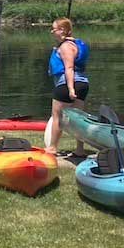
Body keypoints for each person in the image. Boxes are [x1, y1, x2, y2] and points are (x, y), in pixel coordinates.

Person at [42, 17, 89, 159]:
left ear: (62, 30)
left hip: (67, 84)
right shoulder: (77, 44)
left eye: (54, 29)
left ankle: (52, 148)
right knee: (78, 119)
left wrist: (70, 89)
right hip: (83, 83)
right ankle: (80, 150)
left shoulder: (66, 47)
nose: (52, 32)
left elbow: (69, 68)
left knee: (58, 117)